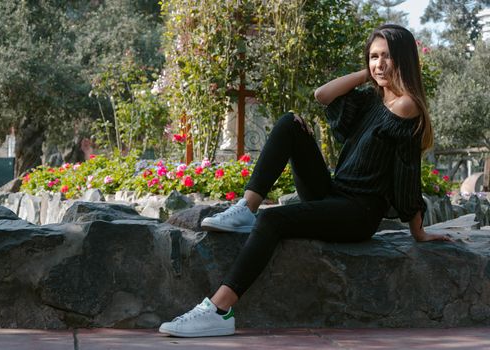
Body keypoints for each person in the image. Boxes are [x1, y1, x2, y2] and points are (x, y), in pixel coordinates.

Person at [159, 24, 452, 338]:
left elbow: (407, 172)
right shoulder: (372, 100)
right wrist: (367, 74)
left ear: (404, 60)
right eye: (373, 56)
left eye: (387, 57)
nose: (379, 64)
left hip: (358, 212)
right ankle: (247, 207)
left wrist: (417, 230)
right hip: (335, 192)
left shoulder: (407, 107)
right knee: (289, 123)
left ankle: (219, 310)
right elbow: (322, 95)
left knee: (272, 222)